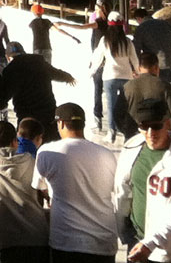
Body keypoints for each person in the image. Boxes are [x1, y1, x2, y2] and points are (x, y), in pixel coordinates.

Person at [113, 97, 171, 263]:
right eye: (144, 126)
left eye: (156, 126)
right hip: (137, 242)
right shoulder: (131, 149)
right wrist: (124, 229)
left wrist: (150, 243)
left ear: (167, 124)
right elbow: (123, 191)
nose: (150, 133)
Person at [34, 103, 119, 263]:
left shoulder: (46, 152)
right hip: (103, 241)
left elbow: (39, 188)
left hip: (66, 242)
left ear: (61, 123)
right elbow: (117, 191)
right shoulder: (107, 154)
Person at [0, 122, 51, 263]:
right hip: (36, 237)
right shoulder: (31, 161)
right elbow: (46, 192)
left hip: (5, 239)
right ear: (14, 141)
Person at [0, 42, 76, 142]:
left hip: (27, 118)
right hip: (48, 113)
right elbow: (55, 73)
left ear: (8, 57)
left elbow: (5, 95)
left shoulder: (10, 70)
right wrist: (68, 77)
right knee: (51, 146)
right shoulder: (39, 62)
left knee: (28, 149)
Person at [92, 19, 138, 141]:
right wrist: (137, 71)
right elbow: (134, 58)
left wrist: (92, 71)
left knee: (111, 105)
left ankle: (111, 131)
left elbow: (98, 57)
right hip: (127, 77)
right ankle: (125, 131)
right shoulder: (127, 41)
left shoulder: (105, 40)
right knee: (127, 106)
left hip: (110, 77)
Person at [122, 50, 171, 140]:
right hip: (159, 136)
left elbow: (117, 113)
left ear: (139, 68)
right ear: (156, 67)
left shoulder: (127, 87)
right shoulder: (164, 86)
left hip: (133, 135)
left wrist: (127, 131)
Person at [132, 7, 171, 85]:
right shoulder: (164, 23)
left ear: (138, 18)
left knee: (158, 90)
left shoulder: (141, 28)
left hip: (156, 65)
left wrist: (135, 67)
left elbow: (136, 49)